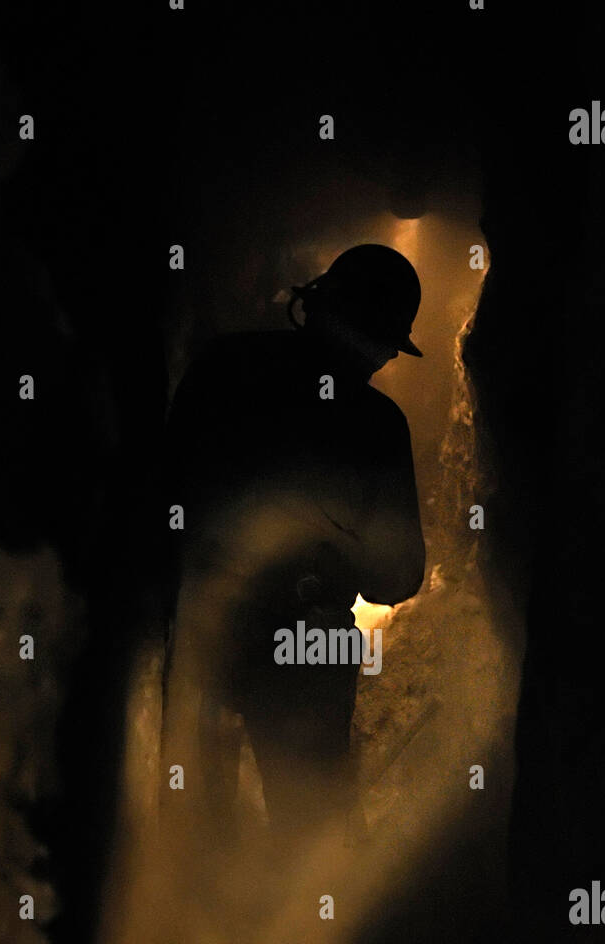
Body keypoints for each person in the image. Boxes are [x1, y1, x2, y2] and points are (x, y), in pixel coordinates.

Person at [164, 243, 426, 847]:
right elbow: (397, 577)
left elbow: (166, 495)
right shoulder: (376, 424)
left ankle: (190, 930)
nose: (389, 357)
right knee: (309, 831)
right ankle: (308, 923)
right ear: (374, 335)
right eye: (390, 342)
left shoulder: (223, 366)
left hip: (204, 617)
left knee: (197, 829)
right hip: (307, 641)